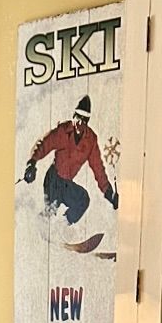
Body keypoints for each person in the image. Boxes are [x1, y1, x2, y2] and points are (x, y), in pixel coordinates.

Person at [23, 95, 118, 225]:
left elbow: (98, 168)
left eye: (84, 121)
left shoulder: (90, 140)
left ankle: (61, 226)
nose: (79, 124)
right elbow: (44, 144)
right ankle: (39, 224)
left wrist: (109, 193)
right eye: (78, 118)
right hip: (53, 180)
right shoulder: (63, 131)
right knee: (52, 209)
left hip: (67, 184)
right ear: (74, 115)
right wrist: (32, 163)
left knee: (83, 199)